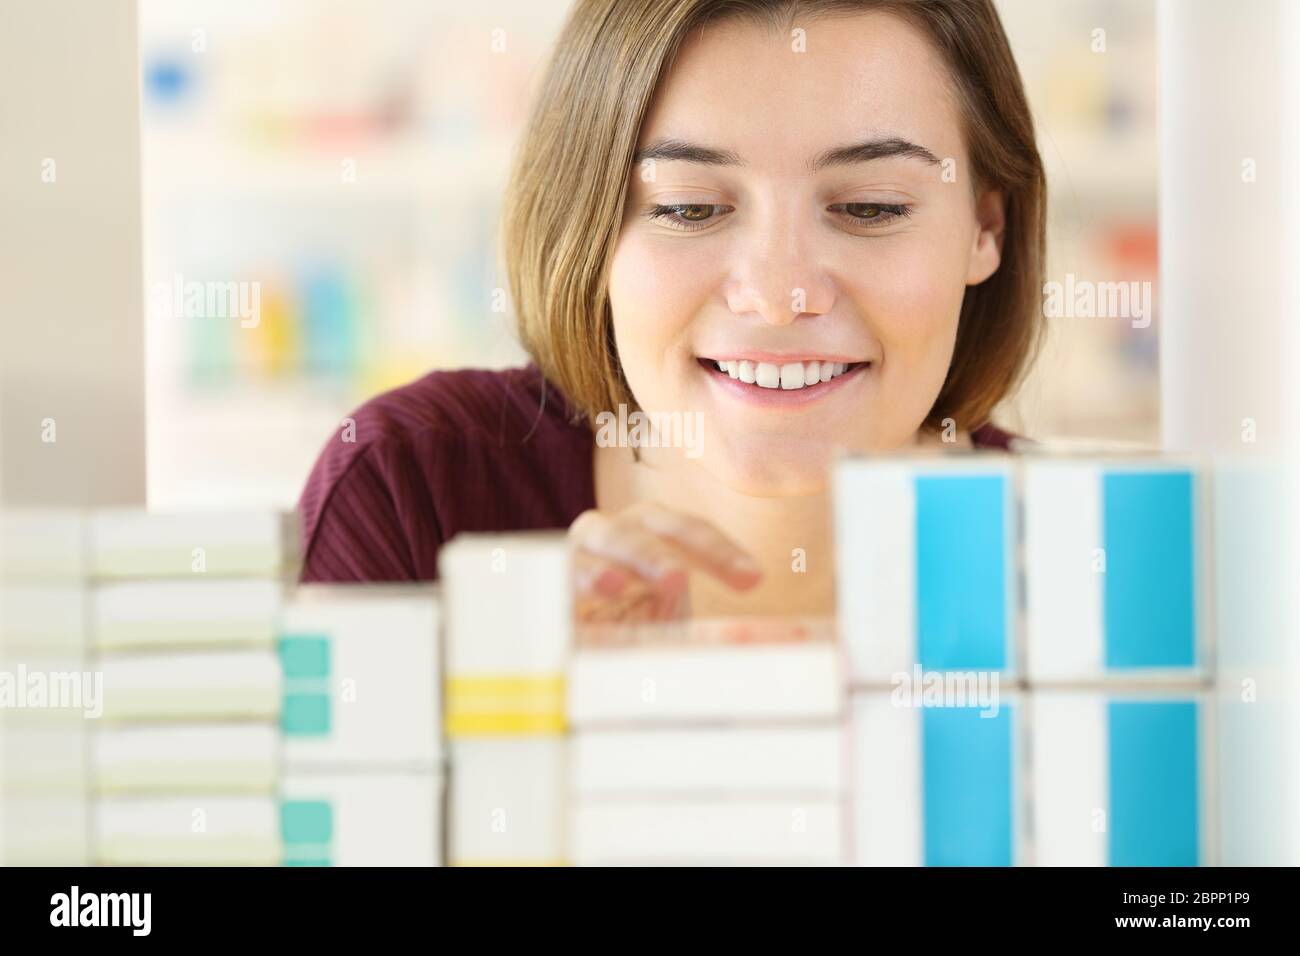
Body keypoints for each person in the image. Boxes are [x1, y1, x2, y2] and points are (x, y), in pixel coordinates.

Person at [298, 0, 1045, 623]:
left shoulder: (1078, 552)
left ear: (986, 229)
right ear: (589, 223)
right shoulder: (408, 493)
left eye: (870, 208)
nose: (780, 296)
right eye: (689, 209)